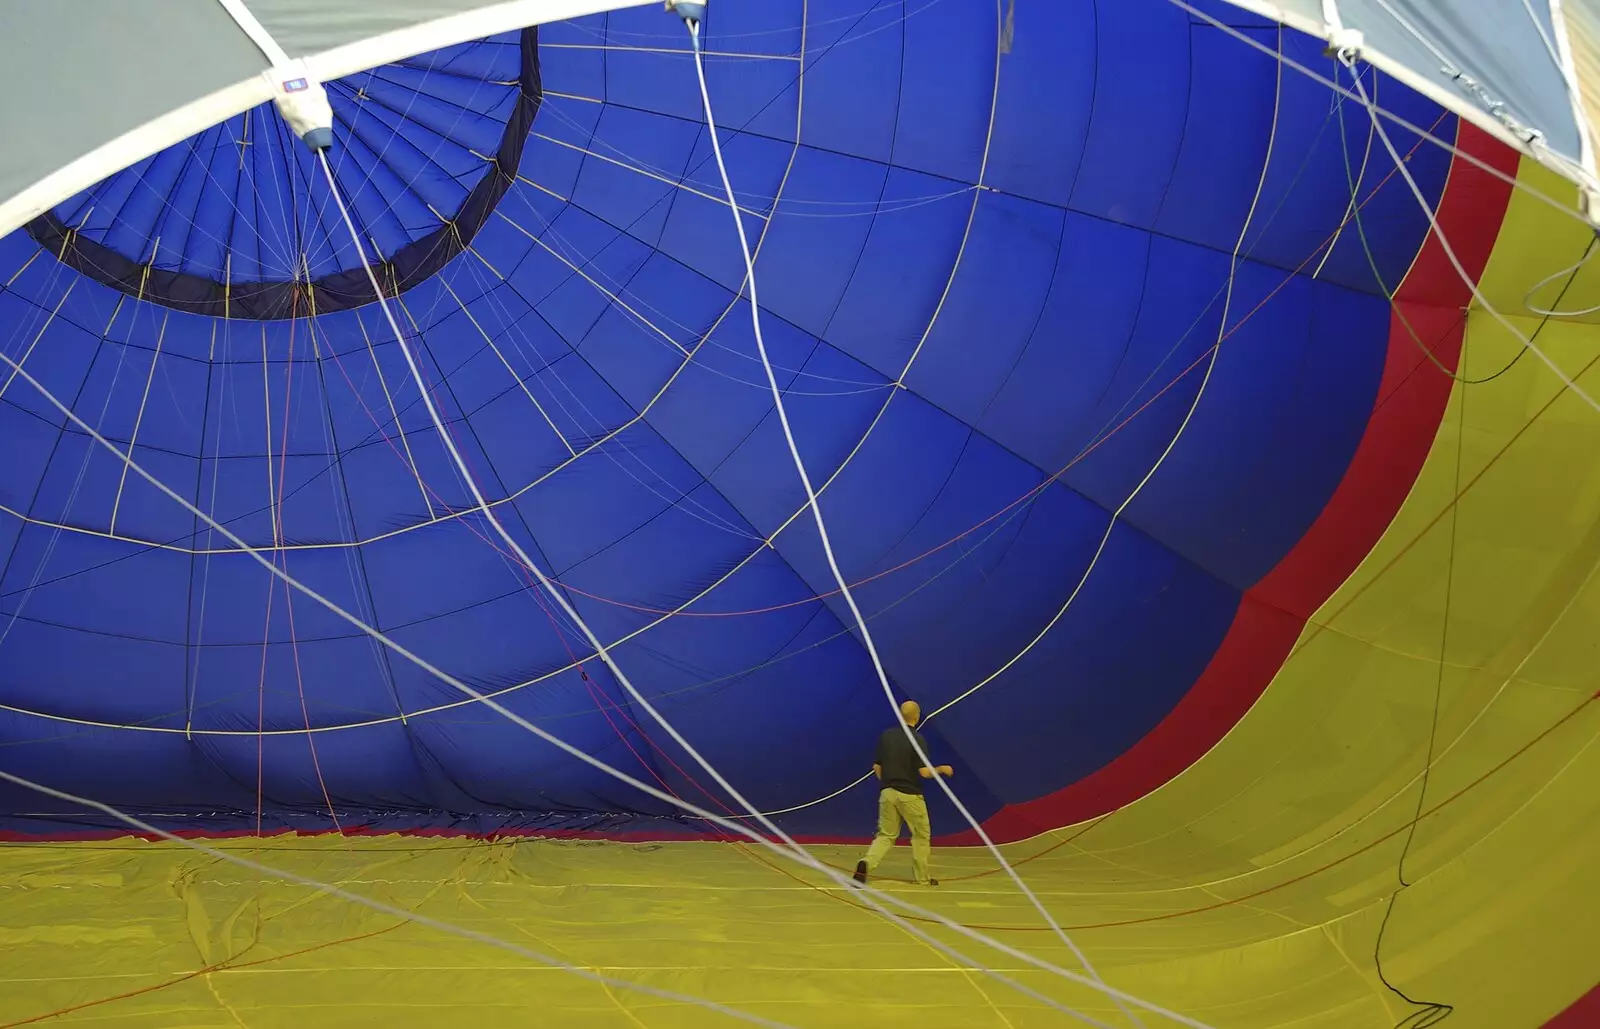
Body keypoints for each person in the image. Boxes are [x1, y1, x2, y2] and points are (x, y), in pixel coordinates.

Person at [852, 700, 952, 887]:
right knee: (921, 836)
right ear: (917, 716)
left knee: (885, 836)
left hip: (887, 792)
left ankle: (866, 862)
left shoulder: (886, 736)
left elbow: (877, 767)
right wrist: (942, 769)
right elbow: (924, 772)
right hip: (910, 795)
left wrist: (887, 784)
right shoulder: (919, 739)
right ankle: (921, 878)